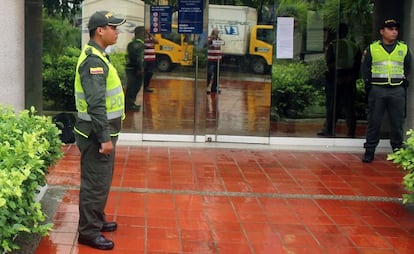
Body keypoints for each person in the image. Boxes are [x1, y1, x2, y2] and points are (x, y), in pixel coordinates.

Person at [73, 11, 126, 250]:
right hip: (95, 135)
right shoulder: (93, 61)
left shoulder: (99, 56)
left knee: (101, 181)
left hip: (100, 132)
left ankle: (96, 219)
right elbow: (96, 104)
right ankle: (88, 232)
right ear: (100, 31)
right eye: (113, 27)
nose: (117, 31)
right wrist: (104, 138)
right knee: (95, 183)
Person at [361, 19, 411, 163]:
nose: (394, 31)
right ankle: (369, 151)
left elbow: (408, 67)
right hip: (378, 89)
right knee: (374, 122)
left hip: (397, 90)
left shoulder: (404, 48)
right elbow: (366, 68)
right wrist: (368, 84)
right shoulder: (372, 48)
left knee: (397, 122)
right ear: (382, 31)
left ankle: (398, 152)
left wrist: (402, 82)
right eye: (390, 29)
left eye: (395, 29)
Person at [318, 23, 361, 137]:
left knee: (333, 106)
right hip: (349, 79)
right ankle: (351, 131)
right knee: (349, 107)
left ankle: (330, 130)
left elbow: (329, 63)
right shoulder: (354, 45)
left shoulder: (333, 45)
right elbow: (358, 64)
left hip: (336, 79)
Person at [125, 26, 145, 111]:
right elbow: (139, 58)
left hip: (130, 68)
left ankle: (130, 103)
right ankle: (129, 105)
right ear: (140, 34)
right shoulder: (140, 45)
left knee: (130, 87)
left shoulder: (131, 43)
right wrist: (140, 68)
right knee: (135, 87)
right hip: (136, 69)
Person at [207, 28, 224, 94]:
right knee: (209, 73)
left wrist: (218, 39)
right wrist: (213, 39)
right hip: (211, 59)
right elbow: (209, 43)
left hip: (217, 59)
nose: (217, 34)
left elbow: (223, 43)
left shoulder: (218, 39)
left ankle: (214, 88)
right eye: (216, 32)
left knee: (217, 75)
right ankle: (206, 87)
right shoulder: (209, 38)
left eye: (218, 33)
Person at [143, 28, 158, 93]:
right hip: (145, 59)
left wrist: (150, 35)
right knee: (144, 73)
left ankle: (146, 86)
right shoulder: (142, 39)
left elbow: (157, 42)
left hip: (151, 59)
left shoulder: (151, 38)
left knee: (150, 73)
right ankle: (143, 86)